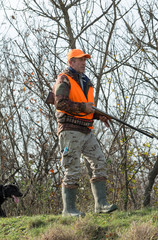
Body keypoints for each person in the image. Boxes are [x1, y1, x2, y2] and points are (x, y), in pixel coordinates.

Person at [52, 49, 118, 217]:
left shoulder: (85, 81)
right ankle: (68, 210)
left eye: (85, 60)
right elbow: (60, 103)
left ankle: (101, 205)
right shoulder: (64, 79)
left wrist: (98, 115)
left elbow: (86, 107)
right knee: (72, 168)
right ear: (71, 62)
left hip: (86, 130)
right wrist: (83, 108)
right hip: (69, 130)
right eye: (80, 60)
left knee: (100, 161)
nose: (84, 63)